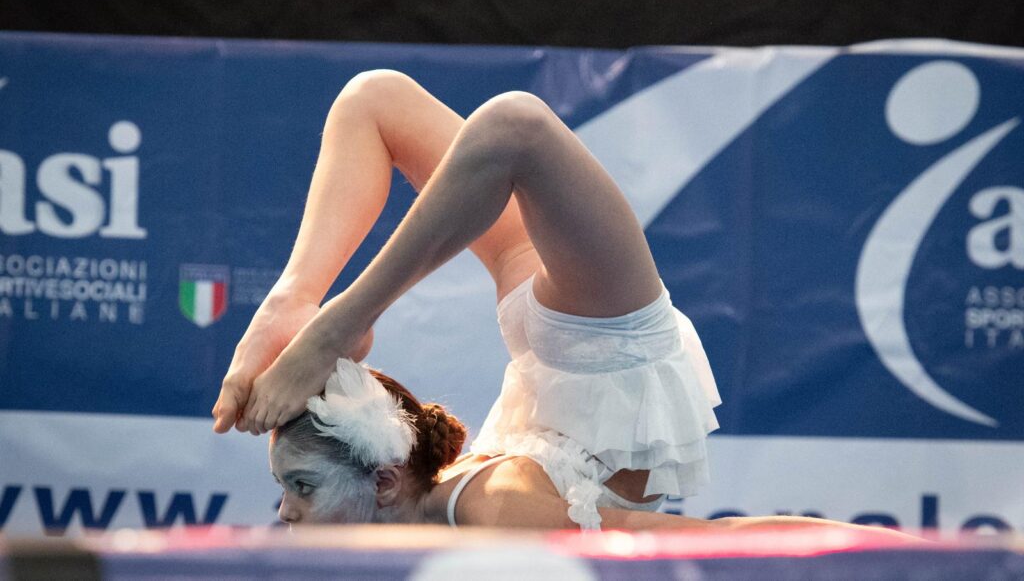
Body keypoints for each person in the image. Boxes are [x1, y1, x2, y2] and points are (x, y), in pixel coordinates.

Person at [216, 70, 915, 537]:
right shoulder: (450, 514)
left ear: (388, 482)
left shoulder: (501, 516)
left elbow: (725, 542)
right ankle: (309, 309)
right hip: (561, 372)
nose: (284, 512)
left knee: (472, 119)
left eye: (300, 485)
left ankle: (313, 311)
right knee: (379, 100)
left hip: (602, 358)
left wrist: (924, 560)